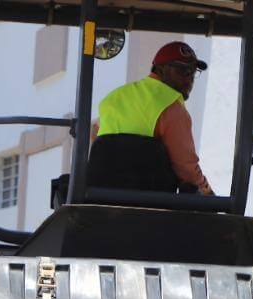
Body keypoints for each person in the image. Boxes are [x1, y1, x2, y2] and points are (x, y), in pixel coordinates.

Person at [90, 41, 213, 195]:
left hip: (101, 196)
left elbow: (97, 138)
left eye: (193, 73)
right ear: (160, 69)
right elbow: (186, 168)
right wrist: (207, 192)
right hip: (151, 203)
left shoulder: (113, 97)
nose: (189, 80)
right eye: (183, 71)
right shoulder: (171, 107)